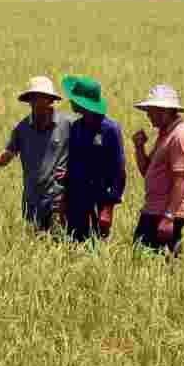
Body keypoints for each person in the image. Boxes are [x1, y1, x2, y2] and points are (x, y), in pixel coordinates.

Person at [0, 75, 74, 232]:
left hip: (60, 200)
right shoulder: (22, 129)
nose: (38, 102)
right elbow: (6, 157)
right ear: (29, 101)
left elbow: (86, 153)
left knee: (61, 239)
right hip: (32, 200)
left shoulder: (68, 124)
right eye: (34, 98)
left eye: (43, 97)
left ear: (51, 100)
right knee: (38, 241)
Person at [56, 74, 126, 243]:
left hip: (99, 200)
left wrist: (108, 208)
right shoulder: (76, 127)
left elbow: (119, 172)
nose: (71, 101)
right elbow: (73, 163)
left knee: (96, 245)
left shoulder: (110, 129)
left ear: (83, 103)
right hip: (76, 199)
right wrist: (64, 200)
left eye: (74, 98)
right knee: (73, 244)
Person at [132, 84, 184, 257]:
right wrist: (139, 148)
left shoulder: (180, 136)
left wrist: (169, 217)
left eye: (151, 110)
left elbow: (181, 180)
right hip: (153, 210)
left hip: (164, 213)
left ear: (165, 111)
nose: (147, 114)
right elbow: (147, 171)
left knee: (160, 261)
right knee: (141, 258)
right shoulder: (165, 134)